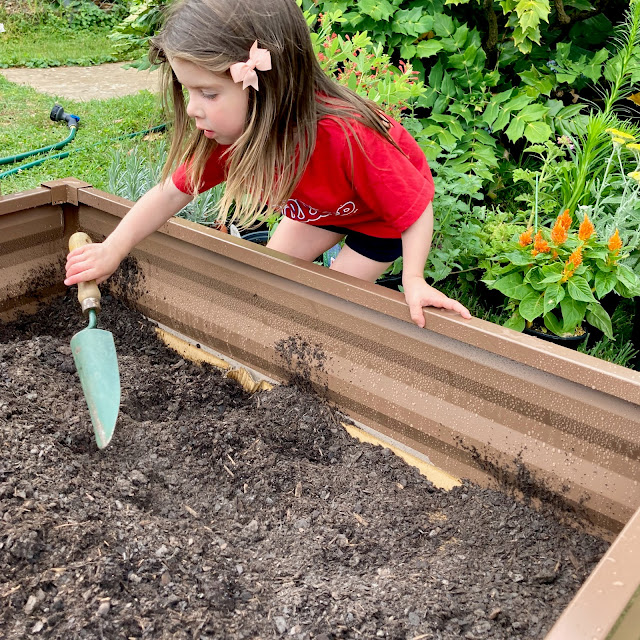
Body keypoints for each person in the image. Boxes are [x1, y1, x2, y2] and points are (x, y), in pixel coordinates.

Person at [65, 0, 471, 327]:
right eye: (189, 92)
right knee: (271, 282)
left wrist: (414, 279)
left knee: (328, 304)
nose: (191, 109)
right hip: (321, 209)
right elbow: (170, 194)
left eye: (209, 94)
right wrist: (113, 249)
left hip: (379, 221)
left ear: (265, 87)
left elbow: (414, 210)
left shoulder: (347, 136)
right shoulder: (233, 136)